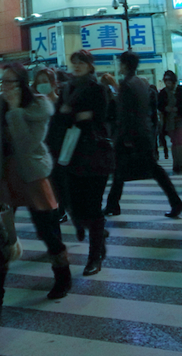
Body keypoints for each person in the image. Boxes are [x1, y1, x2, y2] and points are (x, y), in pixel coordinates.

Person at [0, 63, 69, 316]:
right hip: (6, 177)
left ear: (22, 84)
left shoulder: (37, 108)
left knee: (47, 231)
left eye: (9, 82)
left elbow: (28, 144)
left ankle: (62, 277)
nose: (4, 87)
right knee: (0, 236)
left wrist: (17, 111)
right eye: (3, 82)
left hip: (32, 175)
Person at [106, 51, 182, 219]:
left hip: (132, 135)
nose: (119, 66)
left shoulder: (127, 84)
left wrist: (126, 138)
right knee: (124, 170)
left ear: (125, 65)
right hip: (143, 133)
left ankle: (176, 202)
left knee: (152, 170)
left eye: (120, 63)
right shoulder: (141, 83)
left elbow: (128, 113)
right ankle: (113, 204)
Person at [58, 50, 115, 275]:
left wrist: (73, 114)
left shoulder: (98, 88)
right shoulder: (67, 88)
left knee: (93, 207)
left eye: (82, 62)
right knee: (74, 204)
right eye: (74, 62)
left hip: (95, 154)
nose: (77, 66)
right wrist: (77, 115)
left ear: (90, 65)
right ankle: (97, 240)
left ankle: (95, 257)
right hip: (71, 153)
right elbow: (61, 116)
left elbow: (101, 116)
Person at [158, 70, 182, 172]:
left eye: (169, 80)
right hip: (169, 120)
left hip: (180, 118)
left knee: (180, 140)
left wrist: (177, 109)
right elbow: (159, 105)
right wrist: (166, 108)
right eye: (165, 80)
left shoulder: (181, 90)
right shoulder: (163, 93)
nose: (167, 82)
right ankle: (176, 164)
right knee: (174, 142)